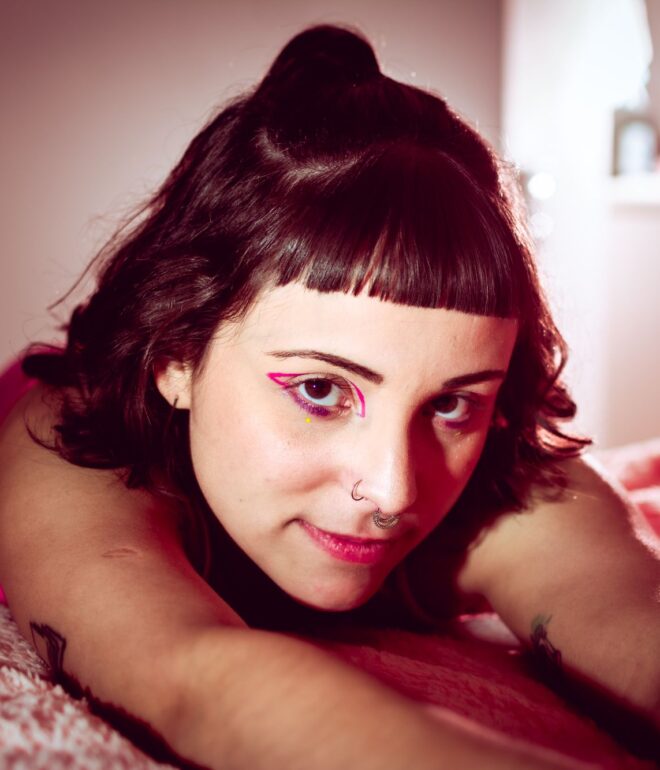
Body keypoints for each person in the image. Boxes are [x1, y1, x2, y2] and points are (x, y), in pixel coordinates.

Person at [0, 24, 658, 770]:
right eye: (319, 390)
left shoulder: (496, 467)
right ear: (176, 354)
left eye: (450, 405)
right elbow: (191, 679)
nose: (393, 490)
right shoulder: (72, 440)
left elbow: (628, 623)